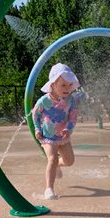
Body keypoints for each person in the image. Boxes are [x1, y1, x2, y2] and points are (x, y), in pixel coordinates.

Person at [32, 63, 80, 200]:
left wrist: (68, 129)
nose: (67, 89)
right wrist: (37, 129)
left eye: (69, 85)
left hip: (63, 137)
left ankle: (58, 165)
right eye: (63, 85)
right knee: (51, 158)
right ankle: (49, 189)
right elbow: (35, 115)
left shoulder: (70, 100)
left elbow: (73, 117)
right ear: (53, 85)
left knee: (70, 161)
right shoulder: (44, 101)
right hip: (48, 137)